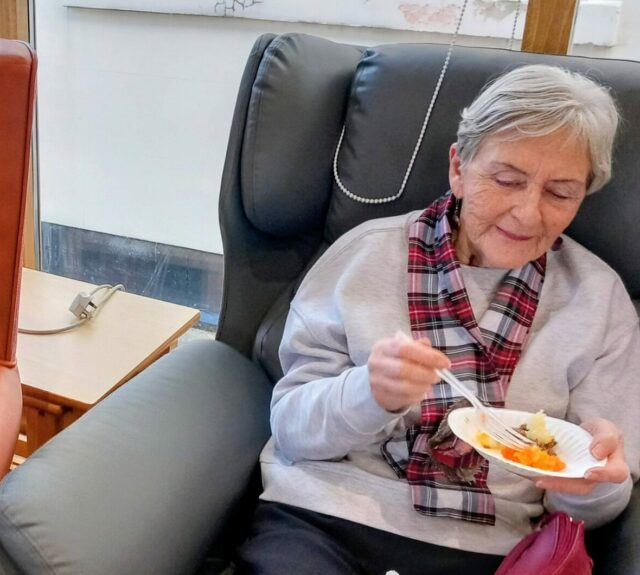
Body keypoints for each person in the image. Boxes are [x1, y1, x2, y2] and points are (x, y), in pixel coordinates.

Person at [237, 64, 640, 574]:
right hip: (324, 518)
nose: (527, 213)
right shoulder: (363, 256)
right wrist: (369, 393)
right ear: (458, 168)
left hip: (489, 550)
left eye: (560, 193)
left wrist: (594, 482)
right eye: (506, 180)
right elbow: (291, 429)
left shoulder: (598, 298)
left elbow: (593, 507)